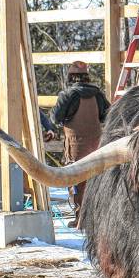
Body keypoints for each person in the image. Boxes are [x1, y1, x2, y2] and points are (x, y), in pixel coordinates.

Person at [51, 61, 110, 228]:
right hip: (97, 144)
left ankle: (80, 218)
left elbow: (56, 118)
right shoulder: (97, 94)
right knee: (96, 180)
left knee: (77, 181)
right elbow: (106, 116)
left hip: (75, 145)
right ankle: (96, 218)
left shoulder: (68, 95)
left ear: (71, 77)